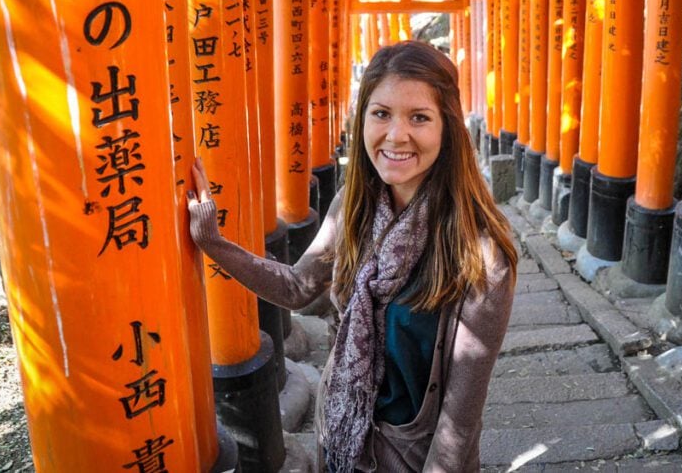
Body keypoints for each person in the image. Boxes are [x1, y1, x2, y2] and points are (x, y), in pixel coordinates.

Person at [187, 39, 517, 472]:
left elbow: (459, 422)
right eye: (381, 114)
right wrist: (214, 243)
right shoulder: (354, 206)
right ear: (363, 118)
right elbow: (298, 287)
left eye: (419, 117)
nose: (396, 135)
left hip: (413, 458)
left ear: (447, 127)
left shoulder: (480, 253)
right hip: (343, 438)